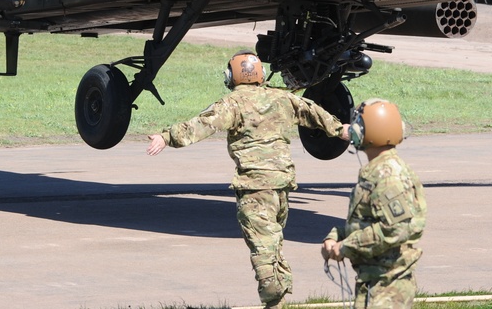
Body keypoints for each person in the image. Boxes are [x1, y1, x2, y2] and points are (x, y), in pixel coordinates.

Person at [147, 51, 350, 309]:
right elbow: (311, 110)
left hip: (255, 190)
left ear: (231, 77)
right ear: (261, 75)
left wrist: (166, 137)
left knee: (264, 251)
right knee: (273, 244)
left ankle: (273, 301)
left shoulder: (232, 104)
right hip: (282, 187)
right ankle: (278, 299)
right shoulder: (282, 98)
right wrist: (339, 129)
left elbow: (202, 124)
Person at [321, 98, 426, 309]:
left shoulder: (389, 176)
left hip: (387, 287)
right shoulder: (377, 171)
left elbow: (395, 228)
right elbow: (368, 222)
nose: (353, 129)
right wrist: (336, 235)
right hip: (375, 282)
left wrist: (346, 247)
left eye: (358, 124)